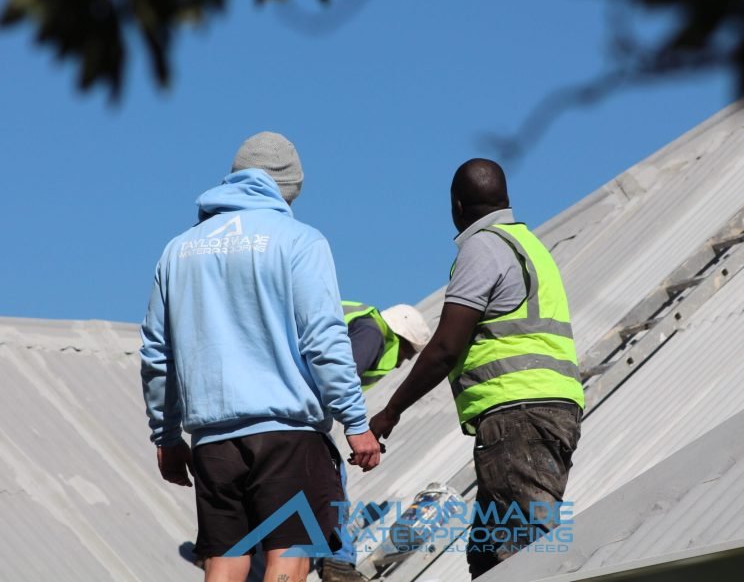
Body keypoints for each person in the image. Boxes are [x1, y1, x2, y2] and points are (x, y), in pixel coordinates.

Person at [140, 131, 382, 582]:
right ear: (288, 188)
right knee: (288, 557)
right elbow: (324, 338)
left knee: (225, 561)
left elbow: (157, 353)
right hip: (287, 437)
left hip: (213, 442)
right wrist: (356, 421)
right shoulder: (300, 240)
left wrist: (166, 435)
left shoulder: (179, 250)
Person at [370, 158, 584, 579]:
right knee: (487, 556)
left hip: (517, 416)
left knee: (523, 556)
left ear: (456, 204)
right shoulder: (528, 245)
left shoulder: (483, 247)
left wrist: (389, 412)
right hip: (547, 411)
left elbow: (446, 347)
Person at [321, 302, 431, 581]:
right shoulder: (372, 334)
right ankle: (338, 563)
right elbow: (342, 382)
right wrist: (359, 431)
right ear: (401, 338)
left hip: (283, 406)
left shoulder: (361, 323)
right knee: (332, 485)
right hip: (301, 416)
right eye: (406, 354)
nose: (401, 363)